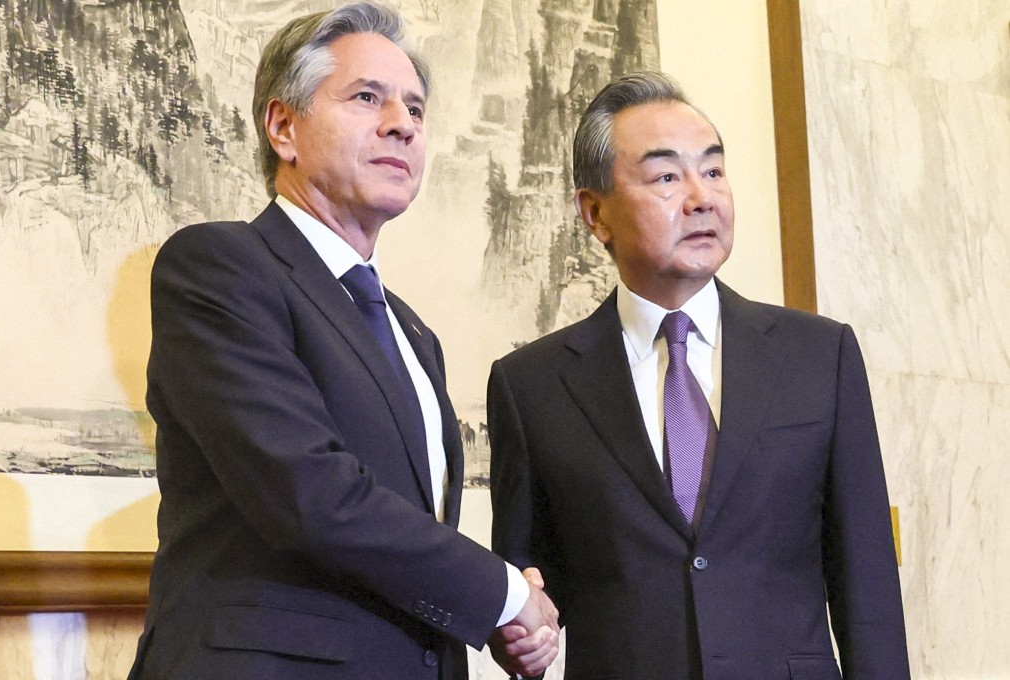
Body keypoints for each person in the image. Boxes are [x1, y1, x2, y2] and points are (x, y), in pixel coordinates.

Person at [127, 3, 558, 678]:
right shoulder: (219, 266)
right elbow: (312, 495)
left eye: (415, 109)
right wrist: (503, 595)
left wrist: (489, 616)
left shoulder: (413, 333)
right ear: (283, 127)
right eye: (367, 98)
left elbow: (403, 541)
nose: (402, 124)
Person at [487, 71, 910, 679]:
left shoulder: (819, 355)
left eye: (712, 171)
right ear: (595, 213)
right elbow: (526, 585)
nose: (701, 198)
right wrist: (519, 629)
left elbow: (867, 584)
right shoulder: (532, 385)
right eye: (666, 177)